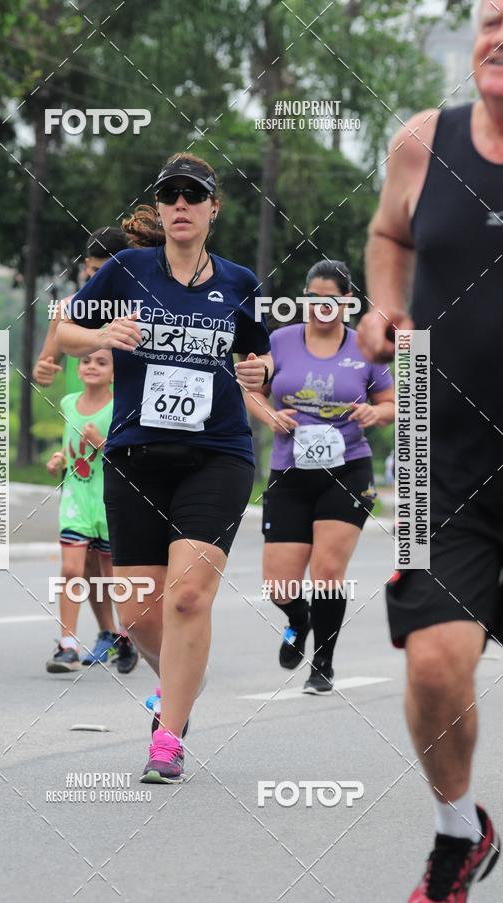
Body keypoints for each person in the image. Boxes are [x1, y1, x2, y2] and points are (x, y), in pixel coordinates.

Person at [58, 151, 272, 783]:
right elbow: (66, 329)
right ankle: (181, 681)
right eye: (170, 195)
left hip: (218, 456)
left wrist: (261, 375)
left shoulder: (240, 284)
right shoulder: (126, 270)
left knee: (187, 599)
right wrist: (101, 337)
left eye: (192, 195)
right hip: (135, 456)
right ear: (160, 208)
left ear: (212, 209)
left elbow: (259, 365)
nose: (180, 205)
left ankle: (169, 735)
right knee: (138, 615)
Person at [357, 2, 503, 898]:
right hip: (435, 457)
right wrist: (383, 309)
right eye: (491, 20)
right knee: (434, 660)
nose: (498, 36)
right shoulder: (423, 140)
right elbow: (388, 234)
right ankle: (461, 830)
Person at [245, 260, 394, 693]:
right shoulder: (281, 340)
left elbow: (392, 403)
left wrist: (374, 411)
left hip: (347, 468)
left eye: (330, 300)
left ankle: (323, 663)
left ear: (347, 302)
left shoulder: (365, 347)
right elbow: (253, 389)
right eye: (312, 300)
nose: (320, 308)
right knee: (278, 585)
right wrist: (271, 416)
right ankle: (299, 619)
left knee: (327, 572)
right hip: (290, 471)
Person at [34, 228, 137, 673]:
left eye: (101, 273)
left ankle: (128, 632)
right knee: (84, 562)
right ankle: (92, 636)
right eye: (89, 272)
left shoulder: (139, 309)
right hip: (79, 448)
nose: (93, 280)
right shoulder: (70, 310)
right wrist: (44, 367)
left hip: (122, 442)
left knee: (113, 563)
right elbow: (47, 364)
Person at [44, 349, 137, 672]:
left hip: (110, 500)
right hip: (75, 498)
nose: (92, 367)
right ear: (78, 368)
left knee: (109, 577)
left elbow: (129, 454)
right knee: (72, 570)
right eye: (86, 361)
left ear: (115, 372)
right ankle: (66, 644)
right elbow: (73, 445)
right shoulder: (69, 403)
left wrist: (102, 442)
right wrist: (60, 457)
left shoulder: (120, 406)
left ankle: (123, 637)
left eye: (101, 362)